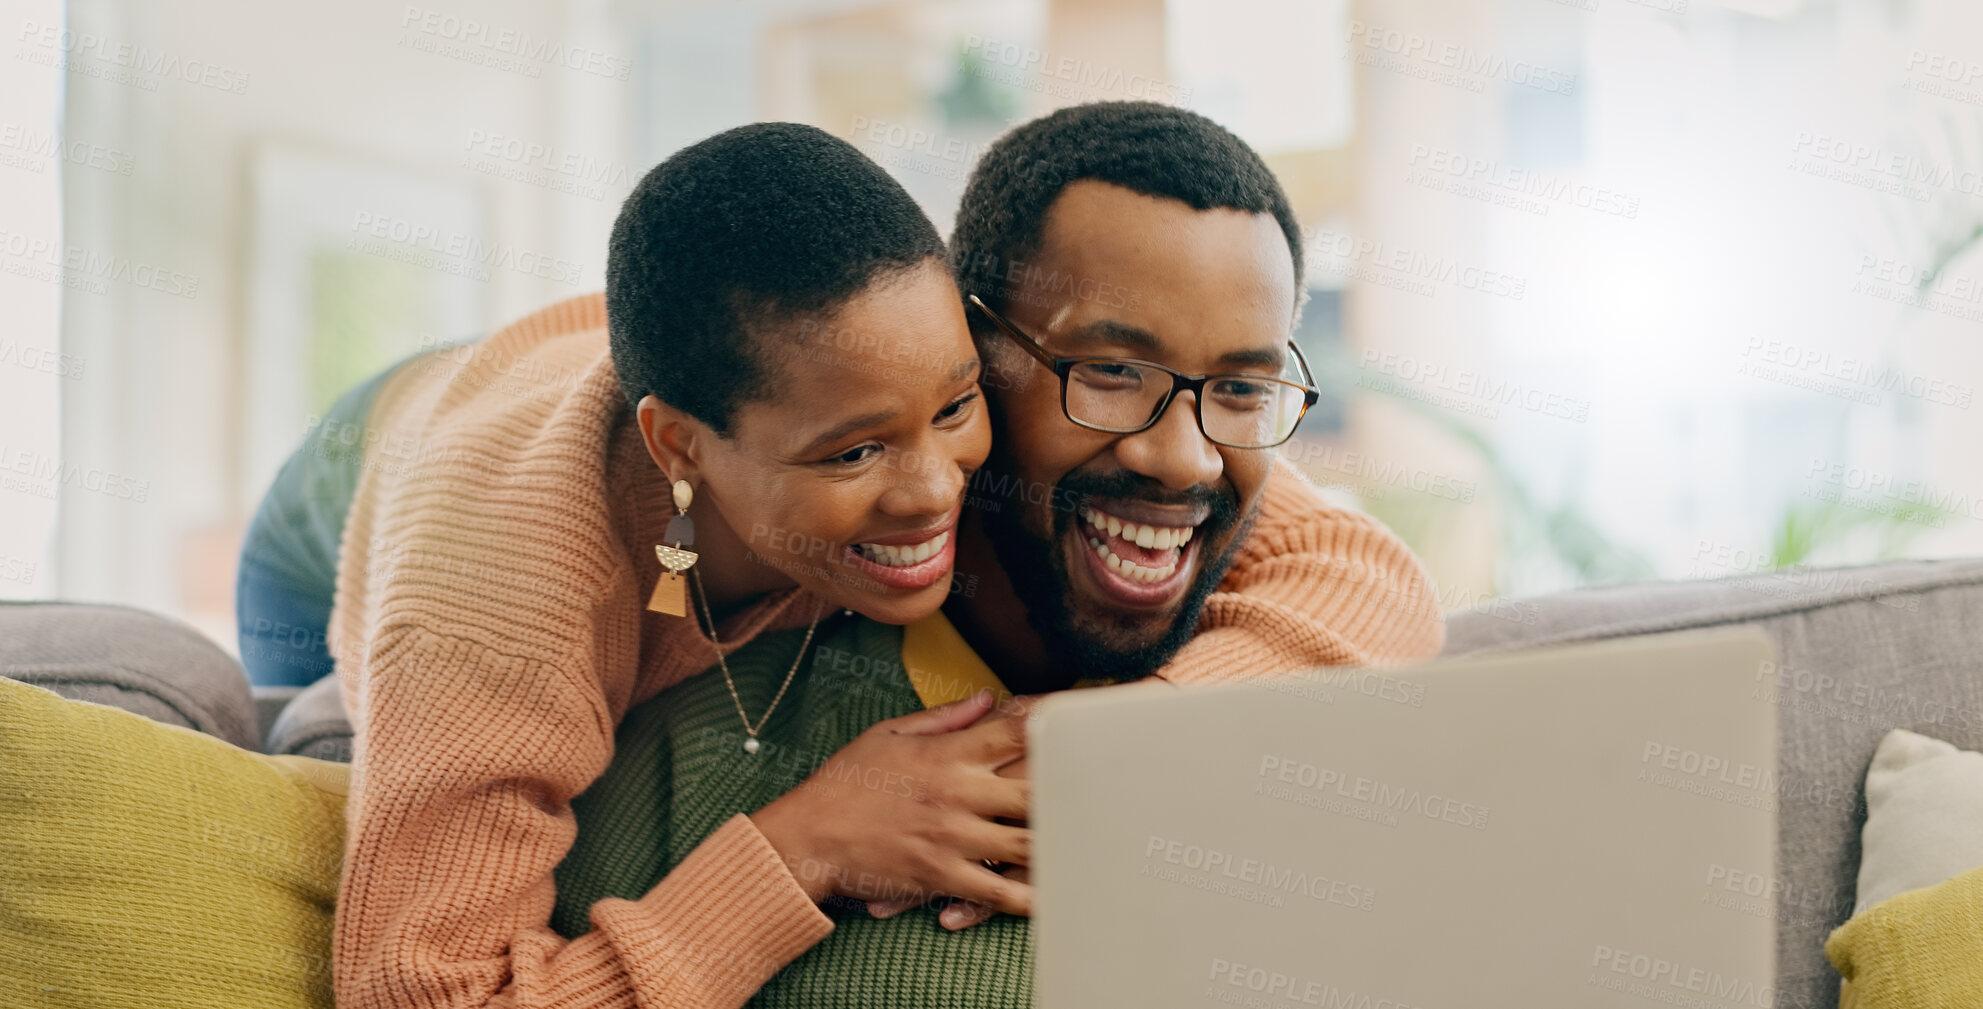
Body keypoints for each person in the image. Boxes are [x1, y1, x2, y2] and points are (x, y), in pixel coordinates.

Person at [238, 112, 1440, 1009]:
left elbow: (1361, 572)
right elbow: (427, 993)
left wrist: (1102, 764)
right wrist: (805, 845)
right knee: (340, 730)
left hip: (666, 381)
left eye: (956, 406)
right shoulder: (497, 610)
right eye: (858, 446)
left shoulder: (968, 419)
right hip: (357, 498)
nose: (931, 490)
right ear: (683, 448)